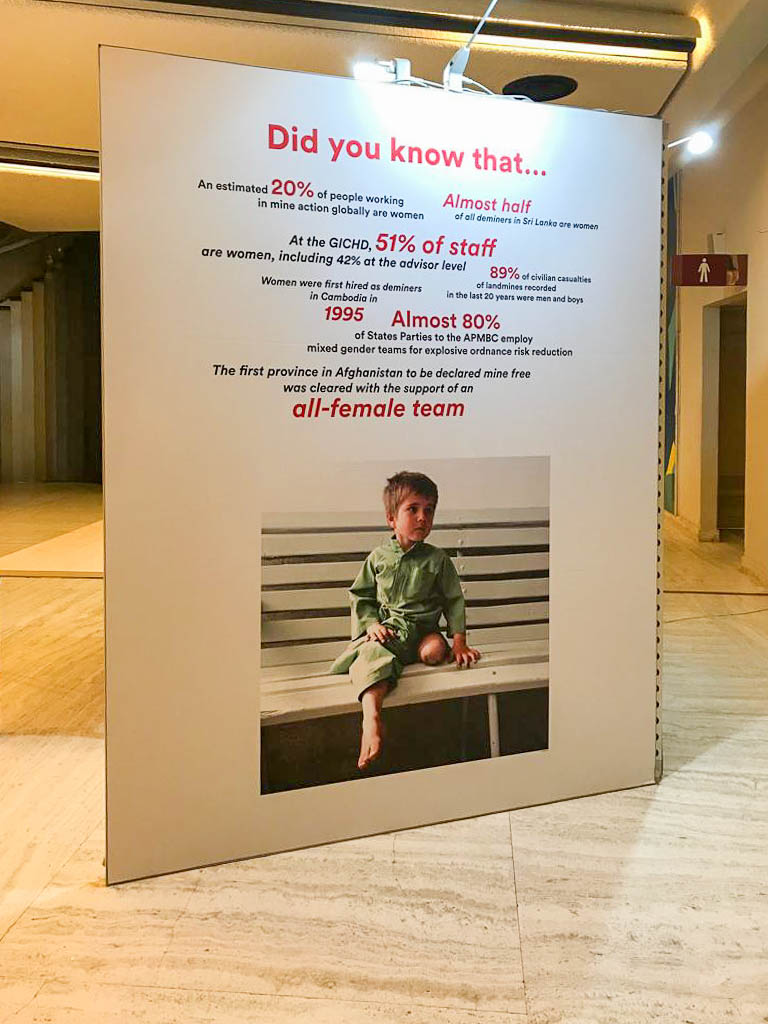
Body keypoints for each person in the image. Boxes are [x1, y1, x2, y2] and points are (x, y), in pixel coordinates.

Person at [330, 471, 480, 770]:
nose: (423, 517)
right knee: (371, 654)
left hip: (424, 632)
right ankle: (371, 718)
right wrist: (372, 625)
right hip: (391, 633)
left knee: (434, 652)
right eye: (413, 509)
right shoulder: (378, 558)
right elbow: (361, 596)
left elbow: (453, 600)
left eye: (429, 510)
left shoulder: (437, 559)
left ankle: (403, 660)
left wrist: (459, 642)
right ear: (391, 518)